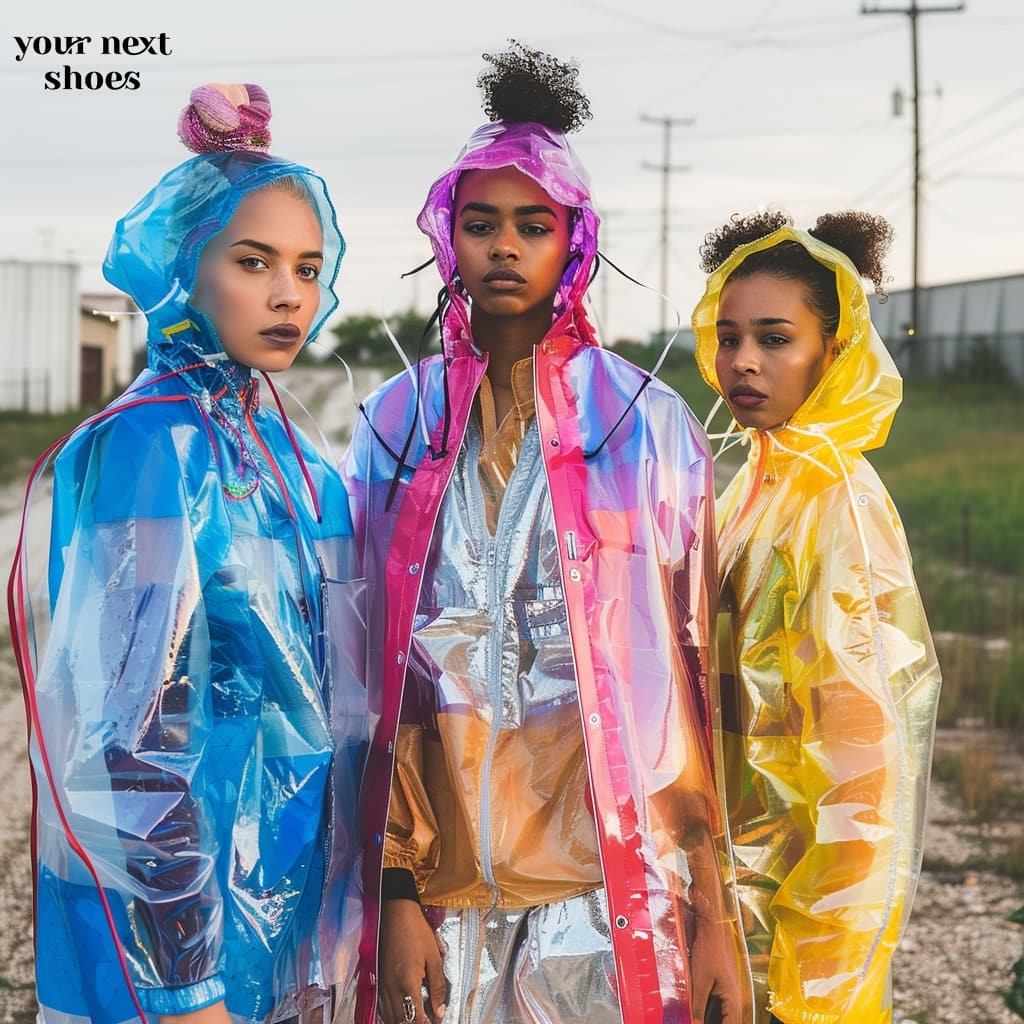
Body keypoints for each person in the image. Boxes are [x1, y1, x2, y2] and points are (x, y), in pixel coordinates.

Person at [341, 43, 751, 1024]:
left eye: (534, 224)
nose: (504, 247)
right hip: (443, 904)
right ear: (448, 237)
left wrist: (712, 908)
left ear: (576, 238)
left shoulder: (641, 428)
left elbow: (698, 679)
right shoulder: (398, 427)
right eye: (479, 224)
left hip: (607, 896)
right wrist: (396, 891)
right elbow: (369, 681)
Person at [8, 83, 366, 1024]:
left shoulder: (297, 461)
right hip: (167, 967)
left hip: (282, 935)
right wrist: (185, 987)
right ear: (182, 268)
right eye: (254, 262)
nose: (290, 293)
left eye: (307, 266)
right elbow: (126, 738)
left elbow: (333, 708)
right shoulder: (151, 447)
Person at [691, 211, 941, 1024]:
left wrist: (819, 988)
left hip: (792, 944)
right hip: (736, 906)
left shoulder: (835, 502)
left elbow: (861, 770)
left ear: (833, 352)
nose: (744, 363)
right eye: (729, 338)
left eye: (774, 338)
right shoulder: (762, 485)